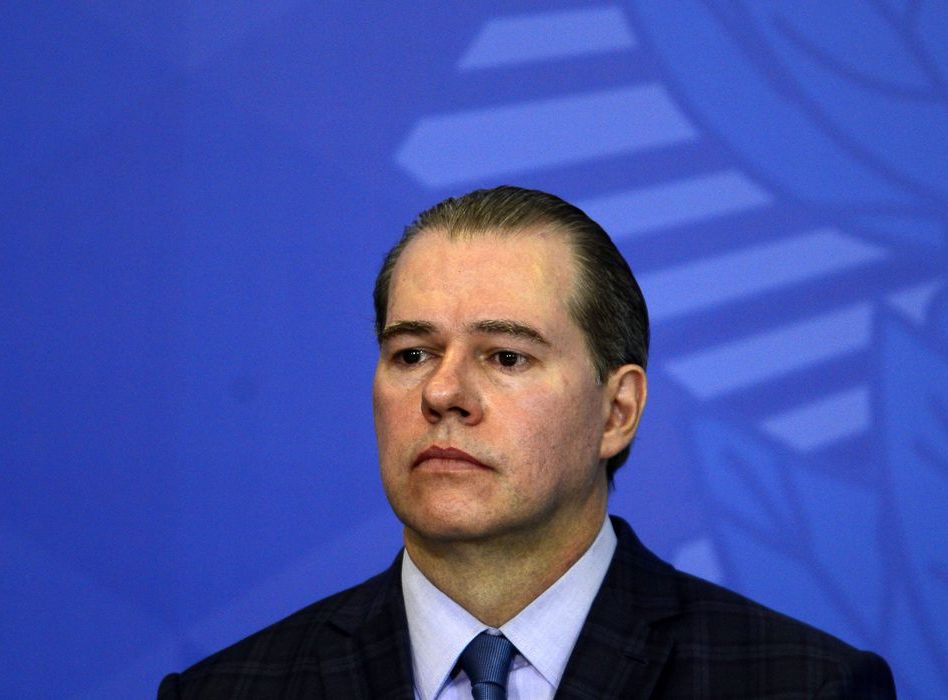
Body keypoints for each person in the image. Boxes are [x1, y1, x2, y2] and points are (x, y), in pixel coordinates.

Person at [159, 186, 895, 699]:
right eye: (412, 353)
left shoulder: (802, 686)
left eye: (506, 357)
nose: (442, 392)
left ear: (617, 411)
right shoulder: (227, 692)